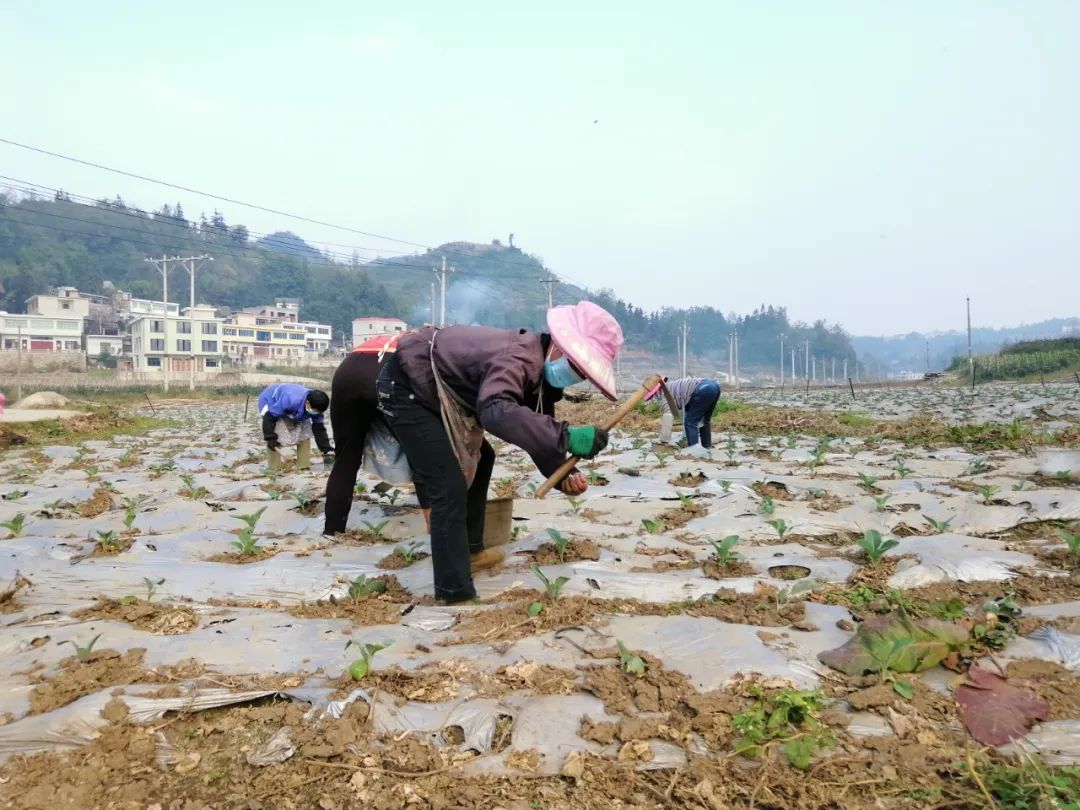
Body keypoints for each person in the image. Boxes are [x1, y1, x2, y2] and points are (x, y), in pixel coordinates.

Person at [377, 301, 623, 603]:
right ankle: (453, 591)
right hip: (409, 386)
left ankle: (470, 552)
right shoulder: (517, 357)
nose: (574, 376)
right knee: (447, 485)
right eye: (574, 367)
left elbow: (536, 431)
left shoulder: (541, 376)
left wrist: (563, 474)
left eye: (580, 373)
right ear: (559, 348)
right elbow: (495, 410)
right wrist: (567, 436)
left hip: (439, 389)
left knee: (484, 460)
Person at [323, 335, 401, 535]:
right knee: (422, 453)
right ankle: (433, 531)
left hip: (347, 371)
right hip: (389, 369)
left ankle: (332, 531)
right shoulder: (421, 346)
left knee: (345, 461)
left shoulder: (380, 340)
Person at [257, 383, 334, 472]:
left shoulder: (317, 407)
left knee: (305, 431)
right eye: (315, 410)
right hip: (270, 400)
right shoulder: (291, 400)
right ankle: (274, 468)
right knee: (275, 432)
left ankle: (303, 466)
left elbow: (319, 429)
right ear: (307, 403)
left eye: (319, 412)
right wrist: (270, 437)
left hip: (293, 406)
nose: (316, 413)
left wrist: (326, 449)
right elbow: (269, 416)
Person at [648, 375, 721, 452]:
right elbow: (687, 405)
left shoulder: (665, 394)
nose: (655, 397)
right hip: (714, 386)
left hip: (702, 389)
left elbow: (668, 416)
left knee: (690, 422)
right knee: (704, 420)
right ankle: (707, 446)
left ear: (656, 391)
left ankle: (694, 450)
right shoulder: (672, 386)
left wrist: (663, 440)